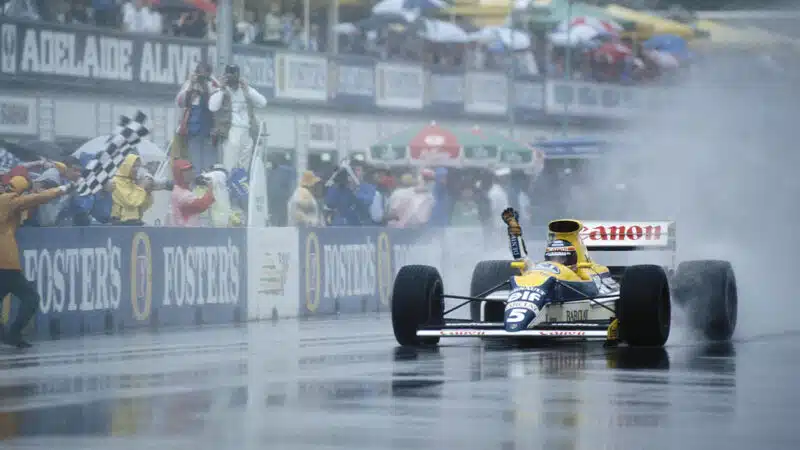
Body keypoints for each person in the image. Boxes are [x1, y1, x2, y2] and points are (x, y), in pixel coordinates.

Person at [0, 176, 73, 348]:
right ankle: (14, 333)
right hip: (6, 264)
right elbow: (36, 199)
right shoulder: (8, 199)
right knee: (31, 298)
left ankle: (5, 334)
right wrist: (61, 189)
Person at [209, 64, 268, 173]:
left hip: (247, 131)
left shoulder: (245, 90)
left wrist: (248, 89)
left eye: (234, 75)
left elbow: (263, 102)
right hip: (231, 130)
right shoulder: (222, 90)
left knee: (244, 168)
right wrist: (221, 88)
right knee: (230, 165)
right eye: (229, 75)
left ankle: (241, 187)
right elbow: (212, 107)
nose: (232, 79)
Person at [175, 63, 219, 171]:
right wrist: (191, 85)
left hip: (209, 129)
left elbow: (214, 105)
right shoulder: (189, 84)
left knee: (209, 163)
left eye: (205, 73)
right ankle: (195, 182)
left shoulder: (213, 85)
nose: (201, 76)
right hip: (192, 129)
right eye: (200, 73)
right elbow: (180, 102)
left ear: (209, 74)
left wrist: (207, 84)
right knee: (194, 162)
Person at [111, 154, 156, 226]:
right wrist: (141, 187)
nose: (137, 169)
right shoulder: (116, 182)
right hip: (120, 224)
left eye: (138, 166)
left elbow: (143, 206)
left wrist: (147, 193)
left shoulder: (132, 182)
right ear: (125, 166)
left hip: (134, 223)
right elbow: (131, 203)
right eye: (134, 166)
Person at [170, 159, 214, 227]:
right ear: (178, 174)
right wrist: (210, 189)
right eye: (186, 171)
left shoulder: (182, 190)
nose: (191, 172)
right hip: (185, 233)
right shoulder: (181, 194)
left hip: (188, 232)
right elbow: (202, 205)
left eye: (191, 169)